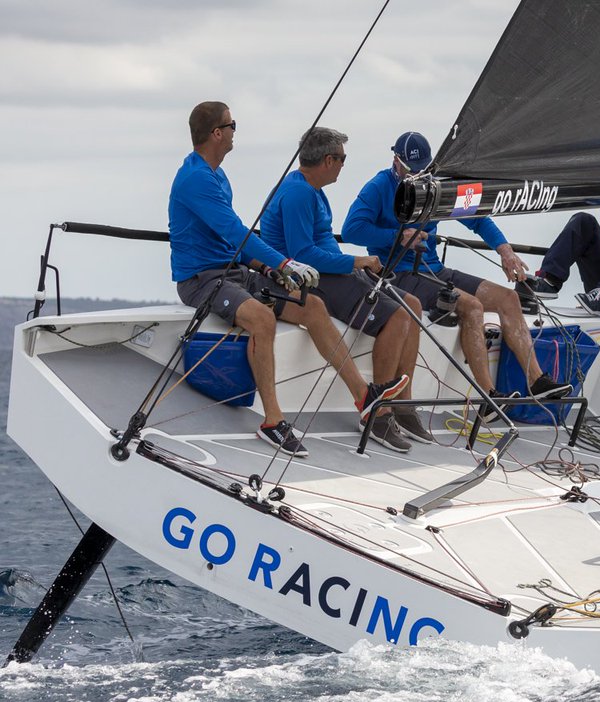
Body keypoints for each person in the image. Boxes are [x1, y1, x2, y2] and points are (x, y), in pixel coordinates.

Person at [169, 102, 406, 458]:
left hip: (234, 271)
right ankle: (272, 421)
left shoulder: (216, 175)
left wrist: (269, 269)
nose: (235, 131)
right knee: (262, 319)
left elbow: (232, 242)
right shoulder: (195, 179)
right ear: (217, 133)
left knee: (313, 306)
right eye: (232, 125)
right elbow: (235, 232)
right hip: (201, 279)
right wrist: (284, 262)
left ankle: (364, 397)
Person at [342, 131, 570, 405]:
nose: (417, 175)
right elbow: (351, 230)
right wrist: (397, 236)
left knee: (509, 298)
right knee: (472, 306)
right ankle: (488, 398)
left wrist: (505, 250)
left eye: (422, 169)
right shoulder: (379, 187)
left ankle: (537, 380)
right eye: (411, 170)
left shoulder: (435, 185)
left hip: (435, 271)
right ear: (396, 161)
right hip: (400, 274)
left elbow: (478, 218)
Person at [261, 126, 432, 453]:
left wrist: (354, 265)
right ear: (328, 160)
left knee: (411, 304)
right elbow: (302, 255)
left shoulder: (311, 190)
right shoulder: (299, 193)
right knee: (398, 317)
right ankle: (377, 414)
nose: (343, 165)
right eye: (342, 158)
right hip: (314, 279)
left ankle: (401, 406)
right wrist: (357, 262)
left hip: (332, 272)